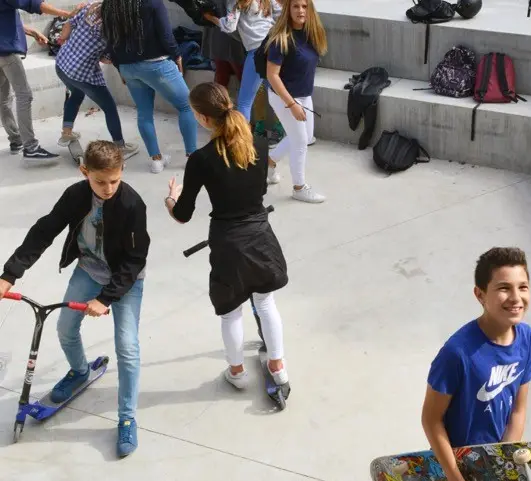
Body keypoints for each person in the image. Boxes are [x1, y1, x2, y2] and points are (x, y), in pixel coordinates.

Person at [0, 141, 150, 458]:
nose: (108, 188)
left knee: (127, 347)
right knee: (65, 328)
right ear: (85, 173)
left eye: (115, 180)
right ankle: (80, 371)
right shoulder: (76, 195)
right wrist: (10, 274)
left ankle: (127, 417)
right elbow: (45, 230)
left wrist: (107, 298)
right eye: (100, 181)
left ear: (122, 172)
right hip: (88, 269)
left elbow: (135, 260)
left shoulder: (132, 205)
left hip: (125, 281)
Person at [164, 82, 291, 390]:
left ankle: (237, 372)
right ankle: (277, 364)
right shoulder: (259, 144)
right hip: (260, 233)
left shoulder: (201, 159)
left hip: (227, 242)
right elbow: (258, 190)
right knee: (265, 301)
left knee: (230, 311)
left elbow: (182, 214)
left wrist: (171, 198)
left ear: (202, 117)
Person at [421, 247, 531, 481]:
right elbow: (431, 419)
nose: (516, 298)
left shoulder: (527, 339)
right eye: (504, 288)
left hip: (496, 462)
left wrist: (504, 460)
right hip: (456, 464)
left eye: (523, 287)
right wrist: (455, 476)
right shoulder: (457, 353)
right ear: (480, 295)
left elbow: (518, 408)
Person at [101, 0, 197, 174]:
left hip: (128, 67)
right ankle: (192, 158)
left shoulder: (109, 4)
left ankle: (156, 161)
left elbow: (110, 40)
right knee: (186, 106)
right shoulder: (152, 2)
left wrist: (119, 68)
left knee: (144, 113)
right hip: (156, 65)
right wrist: (178, 56)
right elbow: (166, 35)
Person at [54, 1, 139, 158]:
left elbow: (67, 27)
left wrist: (66, 42)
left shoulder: (89, 8)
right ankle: (120, 147)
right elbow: (107, 59)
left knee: (77, 93)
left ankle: (66, 132)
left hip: (62, 64)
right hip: (83, 74)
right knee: (109, 108)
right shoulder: (114, 31)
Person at [265, 0, 326, 201]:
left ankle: (270, 161)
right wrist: (291, 105)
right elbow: (272, 75)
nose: (300, 10)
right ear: (288, 10)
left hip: (303, 94)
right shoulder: (280, 38)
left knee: (306, 137)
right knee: (300, 141)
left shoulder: (312, 34)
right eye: (295, 6)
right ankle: (299, 188)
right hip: (284, 96)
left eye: (304, 6)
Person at [0, 0, 75, 162]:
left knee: (4, 100)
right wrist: (67, 14)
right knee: (24, 95)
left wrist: (31, 31)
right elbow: (32, 3)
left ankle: (16, 140)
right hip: (6, 53)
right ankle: (31, 147)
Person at [204, 0, 280, 122]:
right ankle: (297, 132)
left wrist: (210, 18)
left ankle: (242, 138)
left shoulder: (235, 2)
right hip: (274, 47)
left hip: (257, 51)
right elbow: (281, 15)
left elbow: (229, 26)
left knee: (244, 102)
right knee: (277, 94)